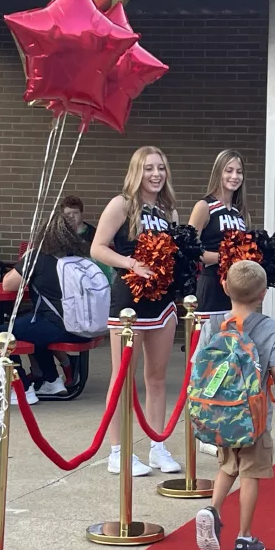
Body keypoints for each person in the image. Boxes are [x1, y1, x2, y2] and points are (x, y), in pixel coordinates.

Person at [91, 146, 183, 477]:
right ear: (136, 172)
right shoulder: (122, 204)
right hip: (129, 301)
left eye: (161, 168)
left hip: (162, 303)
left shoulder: (169, 211)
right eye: (149, 168)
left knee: (157, 378)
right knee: (123, 378)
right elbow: (97, 247)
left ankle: (158, 446)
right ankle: (118, 452)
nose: (156, 174)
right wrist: (131, 263)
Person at [194, 260, 275, 550]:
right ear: (263, 294)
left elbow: (198, 366)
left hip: (222, 414)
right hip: (254, 417)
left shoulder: (212, 325)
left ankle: (213, 509)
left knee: (227, 467)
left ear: (224, 287)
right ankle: (245, 538)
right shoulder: (269, 327)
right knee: (251, 473)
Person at [0, 212, 90, 405]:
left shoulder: (38, 257)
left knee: (0, 334)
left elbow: (8, 284)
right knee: (33, 330)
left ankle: (21, 388)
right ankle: (52, 381)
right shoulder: (81, 258)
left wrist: (27, 258)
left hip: (60, 326)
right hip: (84, 328)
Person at [190, 149, 250, 327]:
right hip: (211, 287)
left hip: (236, 289)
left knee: (234, 342)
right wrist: (225, 257)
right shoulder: (204, 206)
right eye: (229, 170)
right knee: (209, 342)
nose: (234, 176)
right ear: (218, 172)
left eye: (239, 172)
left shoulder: (241, 213)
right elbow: (189, 249)